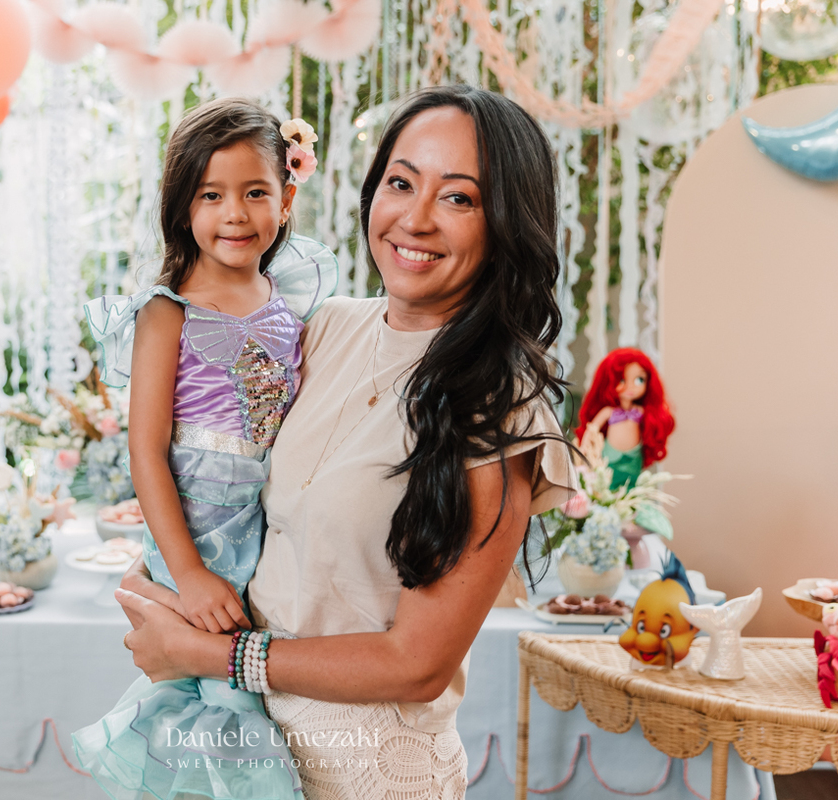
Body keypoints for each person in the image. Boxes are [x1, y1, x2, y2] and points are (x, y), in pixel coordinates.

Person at [115, 85, 578, 800]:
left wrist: (212, 655)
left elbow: (416, 662)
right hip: (249, 756)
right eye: (400, 183)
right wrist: (174, 580)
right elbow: (210, 467)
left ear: (506, 224)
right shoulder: (325, 328)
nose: (415, 219)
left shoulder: (500, 404)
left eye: (459, 198)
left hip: (369, 773)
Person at [72, 98, 338, 800]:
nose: (236, 214)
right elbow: (146, 452)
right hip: (197, 525)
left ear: (286, 197)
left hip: (267, 520)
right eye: (211, 195)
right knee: (215, 692)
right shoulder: (168, 310)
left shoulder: (289, 298)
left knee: (248, 671)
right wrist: (187, 571)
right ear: (181, 206)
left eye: (256, 193)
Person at [575, 347, 675, 491]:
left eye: (639, 380)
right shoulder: (608, 412)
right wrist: (583, 450)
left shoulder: (640, 412)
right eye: (622, 379)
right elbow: (592, 430)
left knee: (630, 485)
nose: (630, 387)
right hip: (610, 456)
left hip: (634, 456)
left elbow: (654, 423)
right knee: (607, 485)